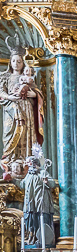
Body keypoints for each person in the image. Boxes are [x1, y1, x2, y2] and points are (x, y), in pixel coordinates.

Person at [0, 45, 43, 178]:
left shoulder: (28, 78)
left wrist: (34, 95)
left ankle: (27, 162)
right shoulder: (5, 76)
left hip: (26, 109)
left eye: (19, 61)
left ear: (23, 63)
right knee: (9, 136)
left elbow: (37, 92)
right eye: (14, 61)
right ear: (10, 62)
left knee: (26, 133)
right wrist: (10, 97)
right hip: (10, 111)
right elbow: (1, 92)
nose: (16, 64)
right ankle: (10, 163)